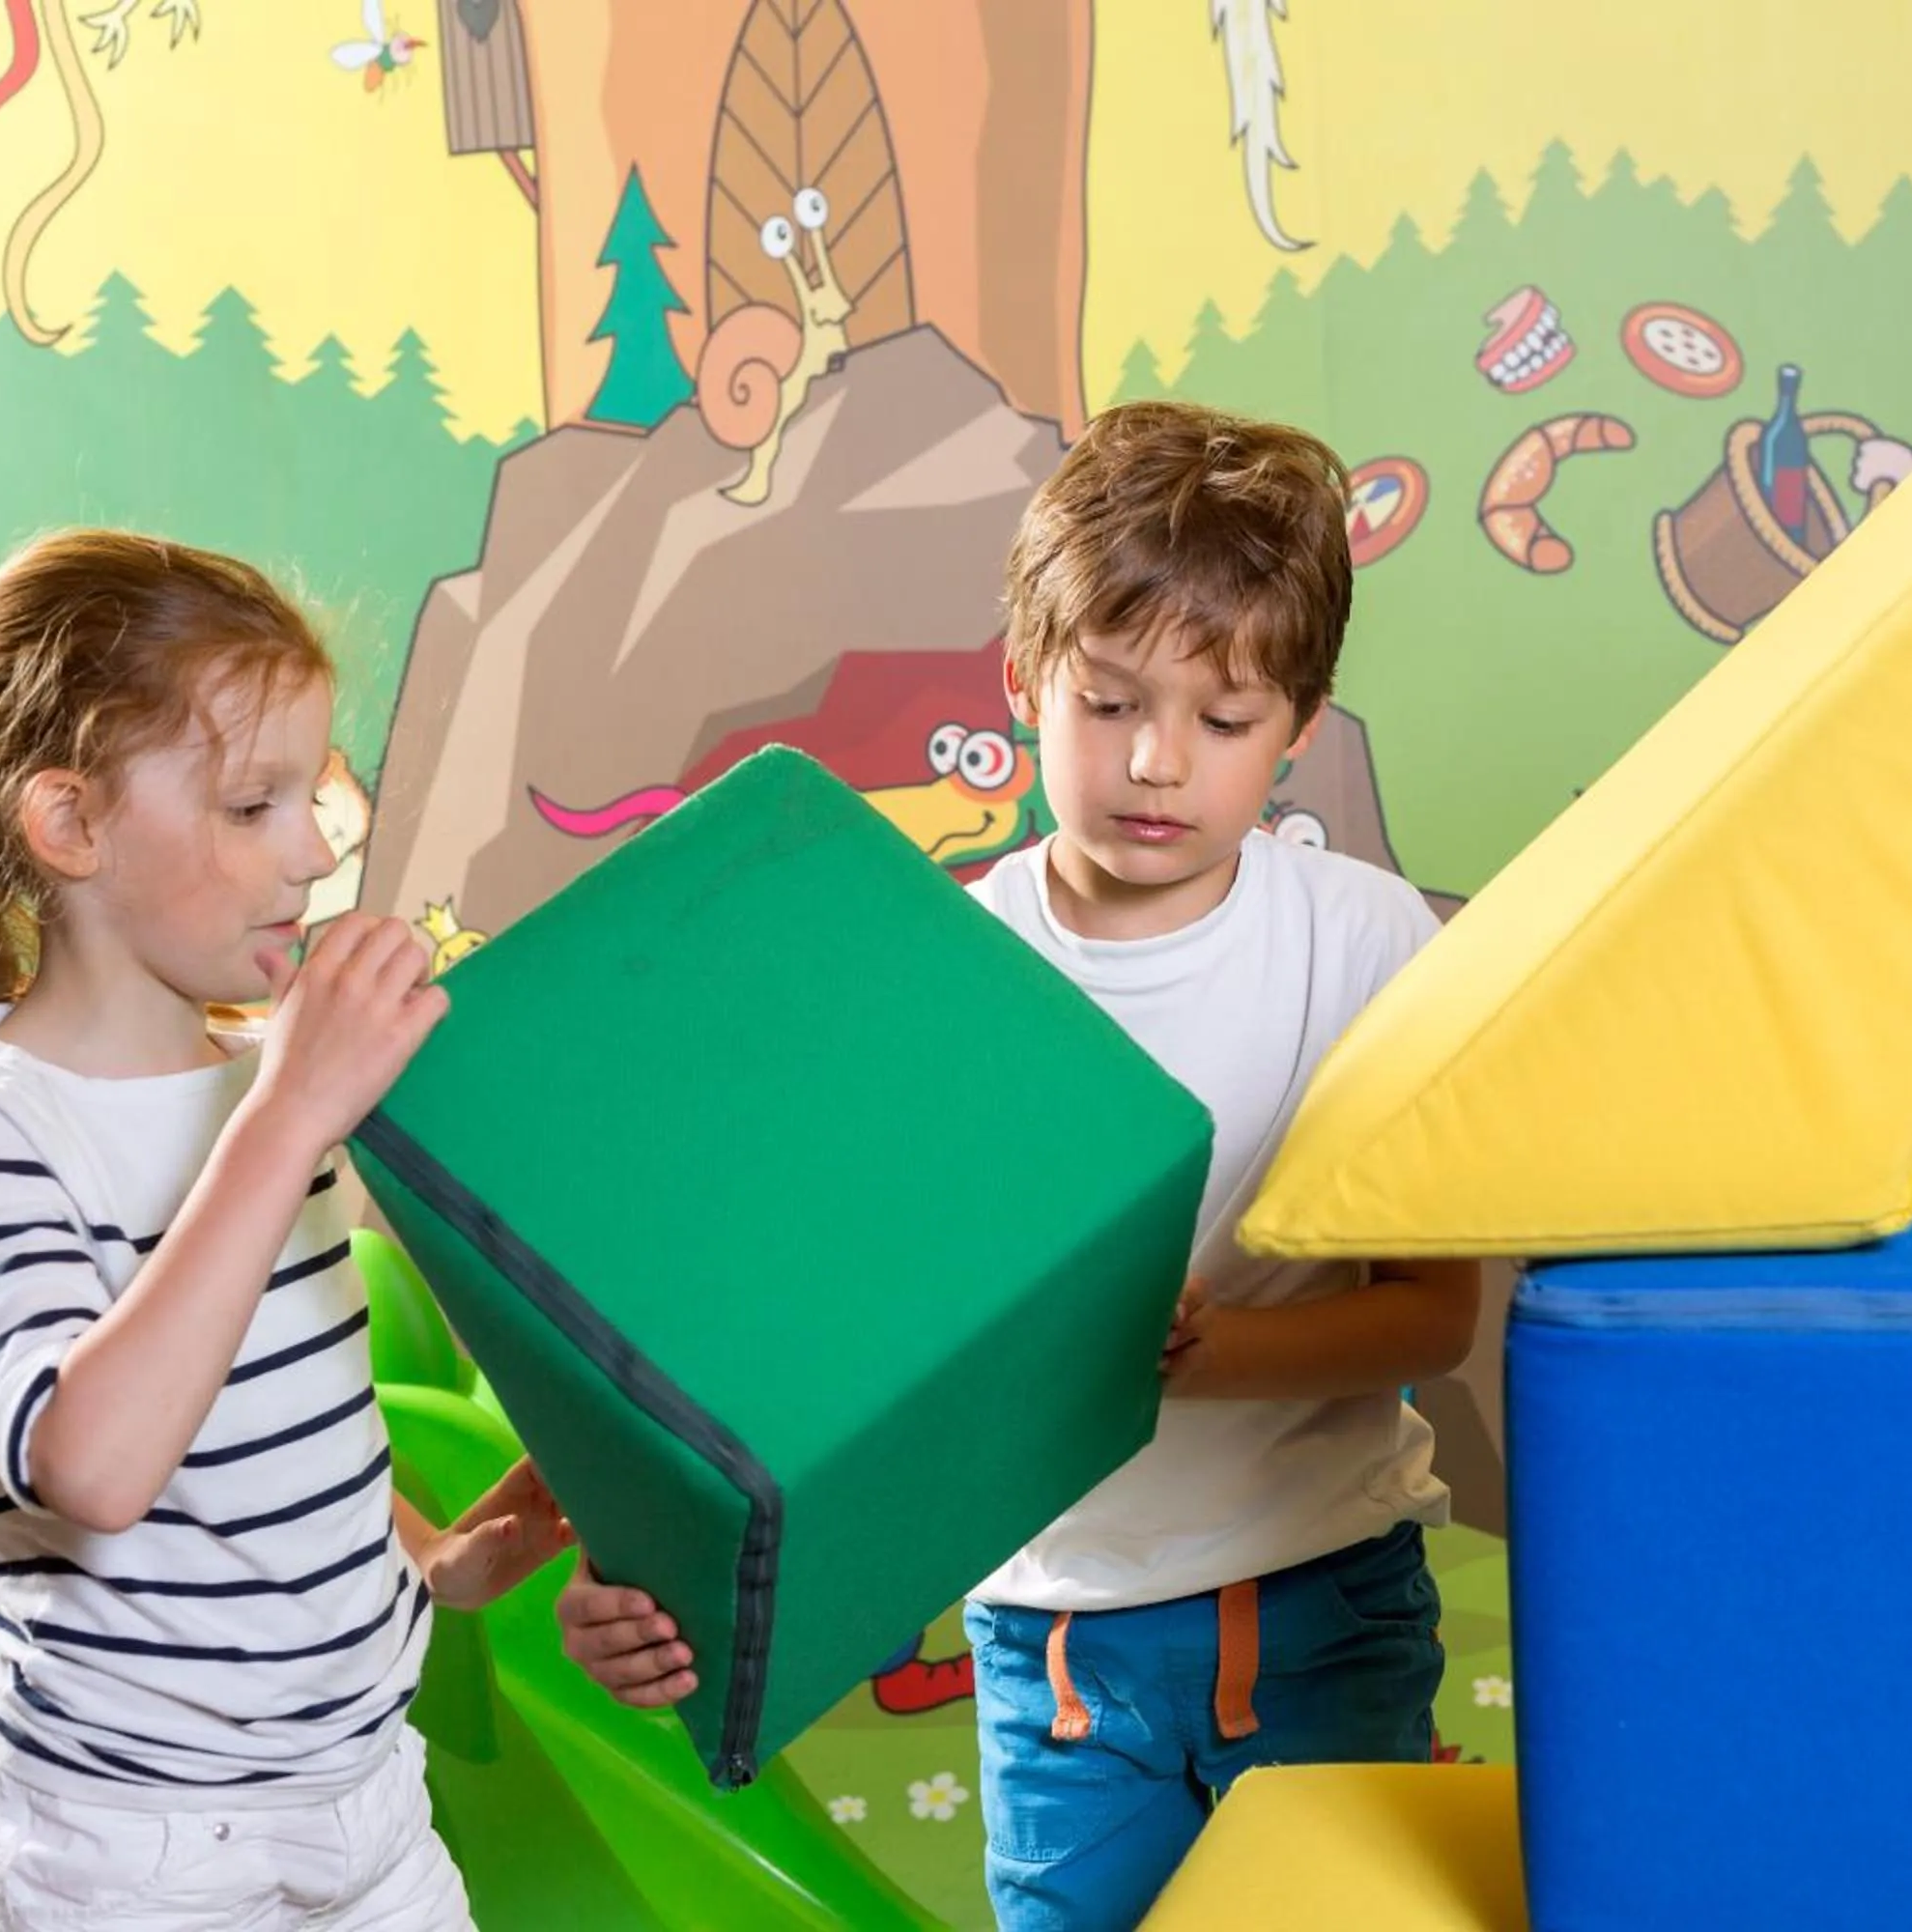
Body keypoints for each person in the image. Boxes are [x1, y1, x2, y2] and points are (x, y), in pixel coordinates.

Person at [557, 401, 1481, 1931]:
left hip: (1324, 1593)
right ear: (1024, 682)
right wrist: (634, 1553)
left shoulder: (1370, 942)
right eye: (1106, 704)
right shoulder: (948, 968)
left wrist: (1207, 1352)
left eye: (1222, 720)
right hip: (1057, 1639)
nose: (1154, 763)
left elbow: (1434, 1317)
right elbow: (818, 1321)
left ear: (1302, 726)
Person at [0, 528, 573, 1931]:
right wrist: (287, 1121)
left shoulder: (251, 1084)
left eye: (315, 797)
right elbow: (88, 1465)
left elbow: (272, 1422)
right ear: (71, 824)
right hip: (124, 1853)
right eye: (252, 805)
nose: (314, 855)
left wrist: (434, 1561)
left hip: (364, 1804)